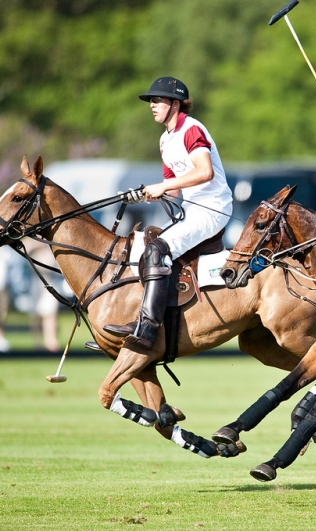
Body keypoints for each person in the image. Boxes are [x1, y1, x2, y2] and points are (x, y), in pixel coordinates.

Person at [104, 77, 234, 349]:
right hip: (191, 209)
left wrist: (162, 186)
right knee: (143, 245)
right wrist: (142, 195)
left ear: (175, 104)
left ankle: (147, 327)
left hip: (213, 208)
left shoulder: (191, 128)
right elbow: (172, 192)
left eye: (157, 100)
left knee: (157, 250)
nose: (152, 106)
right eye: (151, 101)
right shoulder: (165, 140)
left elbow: (204, 172)